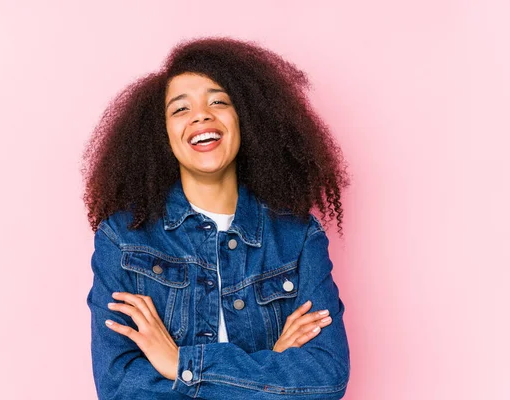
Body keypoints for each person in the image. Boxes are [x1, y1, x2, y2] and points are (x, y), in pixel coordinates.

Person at [82, 36, 351, 399]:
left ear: (246, 120)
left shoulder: (298, 237)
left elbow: (326, 378)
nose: (201, 115)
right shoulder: (123, 239)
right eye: (180, 109)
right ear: (162, 136)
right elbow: (119, 388)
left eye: (219, 102)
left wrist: (180, 363)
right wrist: (269, 365)